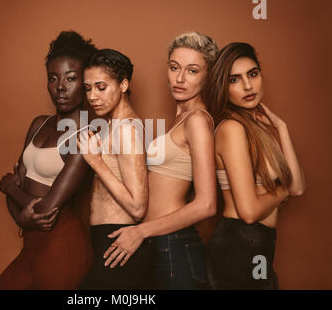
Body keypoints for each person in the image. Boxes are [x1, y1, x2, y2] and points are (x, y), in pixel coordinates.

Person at [101, 32, 218, 289]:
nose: (179, 78)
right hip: (160, 243)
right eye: (174, 67)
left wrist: (140, 231)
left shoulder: (197, 121)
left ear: (208, 76)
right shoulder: (181, 119)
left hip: (175, 246)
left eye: (192, 71)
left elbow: (207, 204)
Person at [0, 31, 97, 289]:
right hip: (31, 246)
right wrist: (22, 220)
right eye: (53, 78)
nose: (60, 87)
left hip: (63, 246)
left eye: (71, 78)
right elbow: (22, 186)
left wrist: (9, 187)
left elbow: (47, 209)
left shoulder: (86, 136)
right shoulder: (39, 124)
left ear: (85, 82)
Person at [204, 42, 306, 289]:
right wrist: (282, 190)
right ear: (222, 87)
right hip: (239, 244)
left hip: (258, 243)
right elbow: (249, 211)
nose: (248, 86)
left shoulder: (257, 128)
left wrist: (281, 128)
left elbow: (299, 187)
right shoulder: (232, 129)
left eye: (252, 74)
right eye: (234, 80)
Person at [77, 48, 155, 289]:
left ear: (123, 85)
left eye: (101, 87)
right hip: (107, 241)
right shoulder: (113, 126)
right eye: (88, 88)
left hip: (121, 244)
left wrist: (96, 162)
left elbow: (138, 207)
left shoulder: (127, 129)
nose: (92, 96)